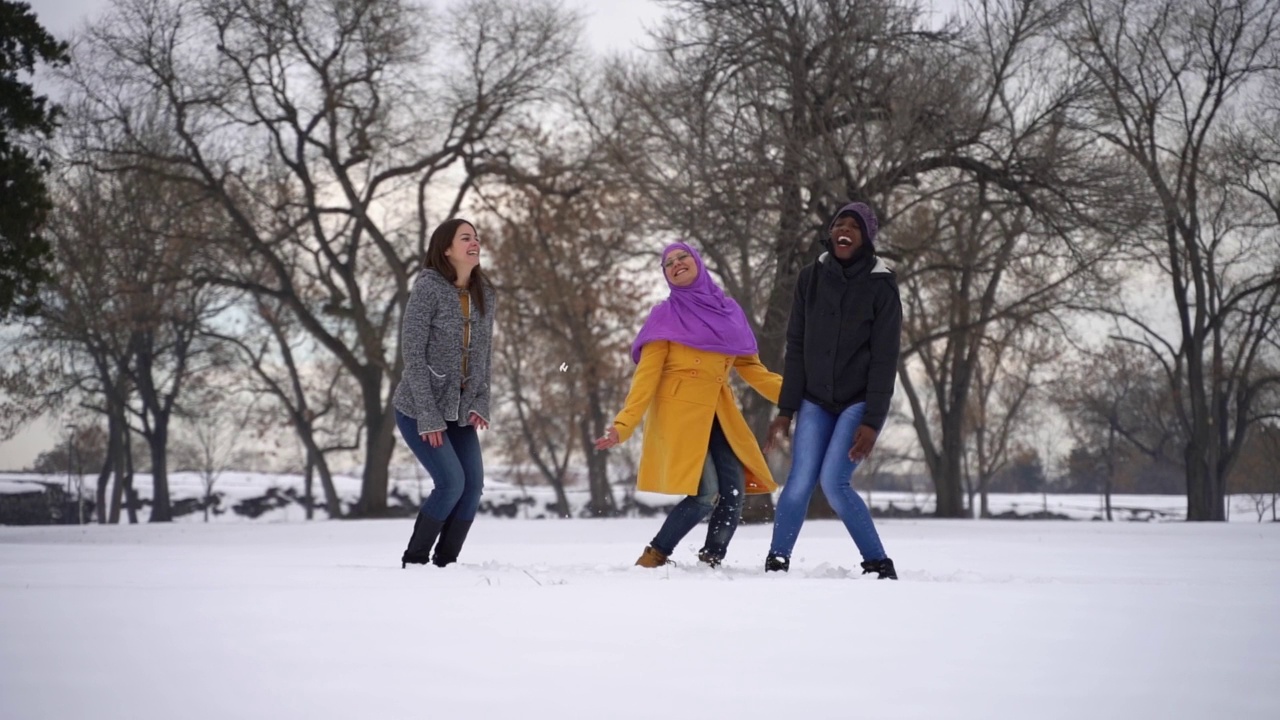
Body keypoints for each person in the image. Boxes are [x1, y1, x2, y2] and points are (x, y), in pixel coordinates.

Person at [595, 242, 781, 568]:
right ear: (666, 275)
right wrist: (623, 426)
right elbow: (645, 380)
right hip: (679, 416)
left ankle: (711, 560)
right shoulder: (664, 316)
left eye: (682, 257)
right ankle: (654, 555)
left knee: (734, 492)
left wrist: (798, 397)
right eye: (668, 263)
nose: (676, 263)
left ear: (697, 262)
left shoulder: (729, 311)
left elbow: (754, 370)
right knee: (706, 493)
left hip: (719, 413)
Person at [763, 202, 901, 579]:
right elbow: (797, 346)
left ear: (867, 237)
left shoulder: (882, 284)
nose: (844, 229)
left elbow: (885, 359)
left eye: (854, 226)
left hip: (858, 402)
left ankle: (878, 563)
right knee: (799, 480)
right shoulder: (812, 277)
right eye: (839, 223)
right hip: (815, 401)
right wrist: (786, 410)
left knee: (834, 482)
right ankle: (777, 559)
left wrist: (873, 421)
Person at [394, 218, 494, 568]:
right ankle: (416, 561)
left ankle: (446, 564)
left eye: (476, 237)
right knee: (451, 483)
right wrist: (428, 416)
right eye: (466, 237)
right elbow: (413, 354)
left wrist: (481, 401)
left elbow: (484, 355)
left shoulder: (485, 293)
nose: (475, 242)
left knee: (472, 487)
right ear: (446, 248)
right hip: (418, 409)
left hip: (461, 412)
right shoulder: (428, 289)